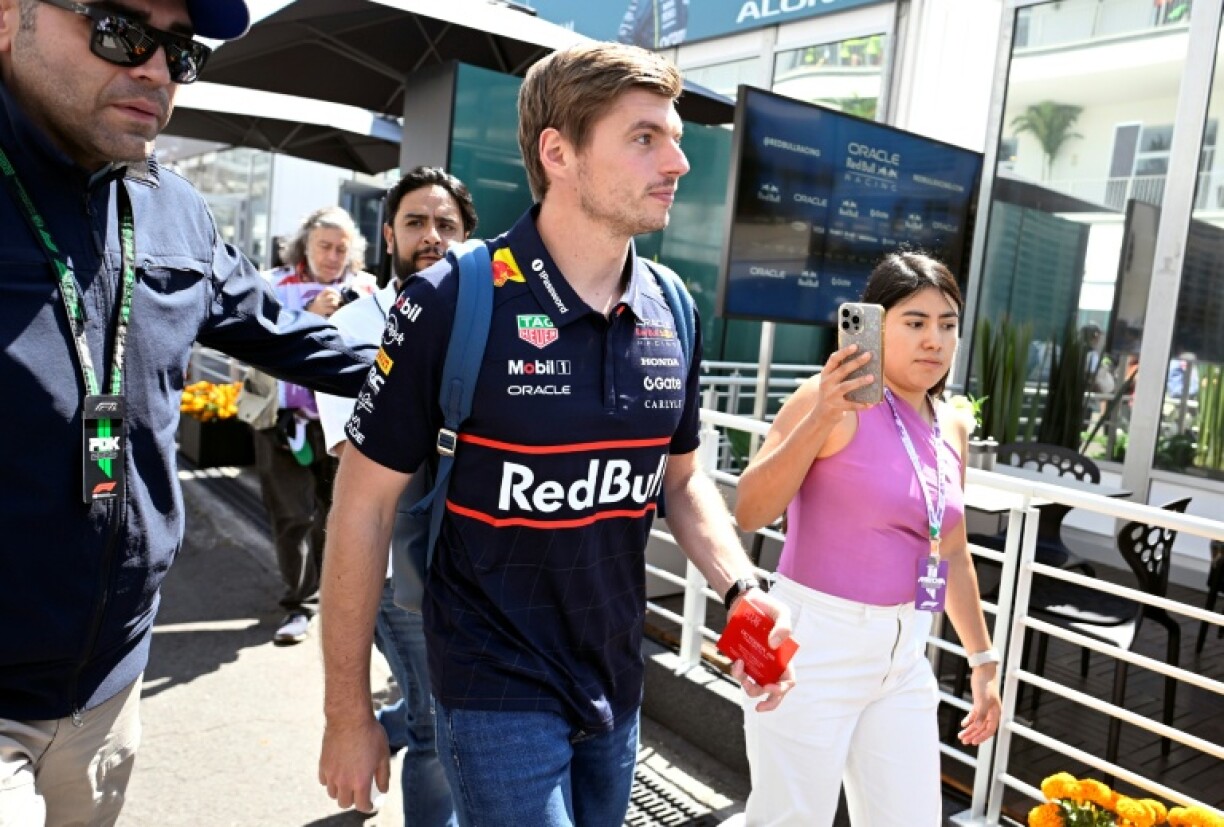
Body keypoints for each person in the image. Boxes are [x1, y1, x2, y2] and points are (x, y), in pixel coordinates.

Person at [316, 42, 795, 825]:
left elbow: (680, 479)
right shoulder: (451, 298)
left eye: (673, 137)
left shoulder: (672, 306)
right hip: (488, 681)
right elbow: (360, 506)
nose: (677, 161)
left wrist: (742, 588)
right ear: (558, 152)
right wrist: (346, 711)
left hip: (615, 676)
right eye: (645, 137)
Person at [0, 1, 372, 825]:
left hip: (110, 685)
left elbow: (296, 339)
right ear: (8, 18)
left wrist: (472, 367)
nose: (157, 69)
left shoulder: (178, 209)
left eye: (179, 49)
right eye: (121, 31)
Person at [734, 252, 1002, 825]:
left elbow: (950, 548)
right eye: (915, 322)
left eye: (948, 324)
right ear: (876, 323)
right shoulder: (831, 398)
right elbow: (751, 509)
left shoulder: (949, 421)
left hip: (903, 653)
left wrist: (983, 660)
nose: (935, 339)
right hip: (812, 642)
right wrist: (822, 415)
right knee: (790, 818)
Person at [315, 166, 478, 826]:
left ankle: (393, 716)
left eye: (447, 225)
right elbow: (348, 454)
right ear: (388, 234)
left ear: (469, 236)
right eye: (415, 222)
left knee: (441, 708)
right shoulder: (353, 324)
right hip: (394, 569)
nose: (431, 236)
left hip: (475, 562)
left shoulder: (485, 320)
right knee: (440, 731)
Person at [255, 206, 378, 645]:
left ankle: (335, 601)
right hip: (284, 423)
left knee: (339, 516)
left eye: (342, 248)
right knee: (292, 516)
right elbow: (254, 341)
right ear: (304, 245)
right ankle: (299, 605)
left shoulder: (367, 289)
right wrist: (307, 313)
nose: (332, 255)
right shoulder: (273, 284)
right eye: (324, 245)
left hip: (345, 427)